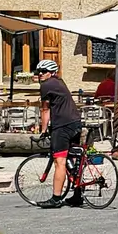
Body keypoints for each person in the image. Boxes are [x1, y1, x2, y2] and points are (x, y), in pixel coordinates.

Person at [34, 59, 83, 208]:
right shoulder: (60, 82)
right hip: (75, 123)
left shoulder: (46, 86)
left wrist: (43, 130)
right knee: (72, 161)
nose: (40, 74)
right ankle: (77, 195)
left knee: (59, 162)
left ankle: (56, 199)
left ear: (52, 73)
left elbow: (45, 109)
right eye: (39, 72)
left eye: (44, 72)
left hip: (62, 126)